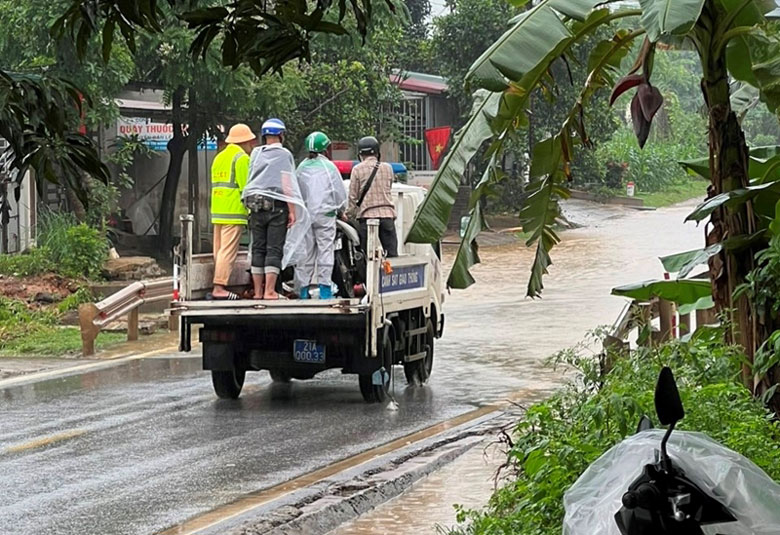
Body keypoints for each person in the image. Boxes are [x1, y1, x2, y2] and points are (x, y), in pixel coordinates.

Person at [242, 118, 308, 299]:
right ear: (281, 135)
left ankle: (257, 292)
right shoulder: (284, 154)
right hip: (276, 208)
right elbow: (287, 183)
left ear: (264, 136)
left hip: (255, 206)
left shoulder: (256, 153)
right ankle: (270, 291)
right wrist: (292, 210)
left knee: (258, 248)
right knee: (274, 249)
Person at [295, 131, 347, 299]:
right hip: (326, 215)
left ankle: (303, 290)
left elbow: (296, 192)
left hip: (306, 216)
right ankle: (325, 290)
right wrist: (341, 210)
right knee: (325, 251)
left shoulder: (301, 167)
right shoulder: (329, 167)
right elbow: (338, 192)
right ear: (325, 149)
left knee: (306, 253)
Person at [210, 123, 256, 300]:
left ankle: (219, 283)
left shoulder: (220, 157)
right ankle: (219, 287)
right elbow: (247, 188)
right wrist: (251, 210)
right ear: (245, 141)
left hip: (218, 209)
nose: (251, 146)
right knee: (228, 251)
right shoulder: (241, 158)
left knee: (219, 250)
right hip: (234, 211)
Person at [347, 136, 398, 257]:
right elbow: (388, 188)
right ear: (377, 152)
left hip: (367, 218)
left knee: (368, 256)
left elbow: (353, 197)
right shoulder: (388, 168)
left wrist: (349, 215)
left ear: (360, 154)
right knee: (391, 255)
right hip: (387, 216)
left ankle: (369, 275)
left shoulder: (357, 169)